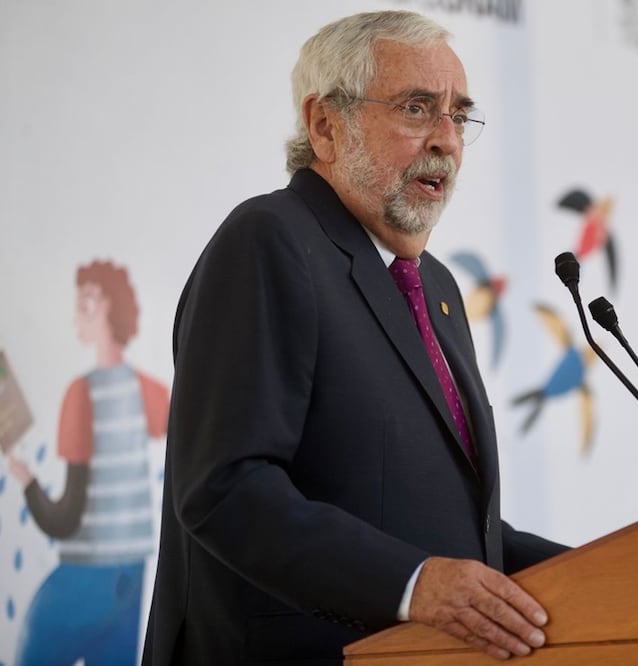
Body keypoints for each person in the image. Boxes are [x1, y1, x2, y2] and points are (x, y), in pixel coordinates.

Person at [142, 10, 568, 665]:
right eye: (418, 108)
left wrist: (623, 565)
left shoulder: (438, 290)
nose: (447, 140)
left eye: (458, 115)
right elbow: (226, 488)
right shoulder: (271, 241)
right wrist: (411, 586)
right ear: (324, 125)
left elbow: (455, 535)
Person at [8, 260, 169, 666]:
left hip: (89, 573)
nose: (76, 313)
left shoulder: (80, 395)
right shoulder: (149, 390)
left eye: (86, 302)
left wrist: (27, 481)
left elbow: (66, 519)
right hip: (132, 573)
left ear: (108, 308)